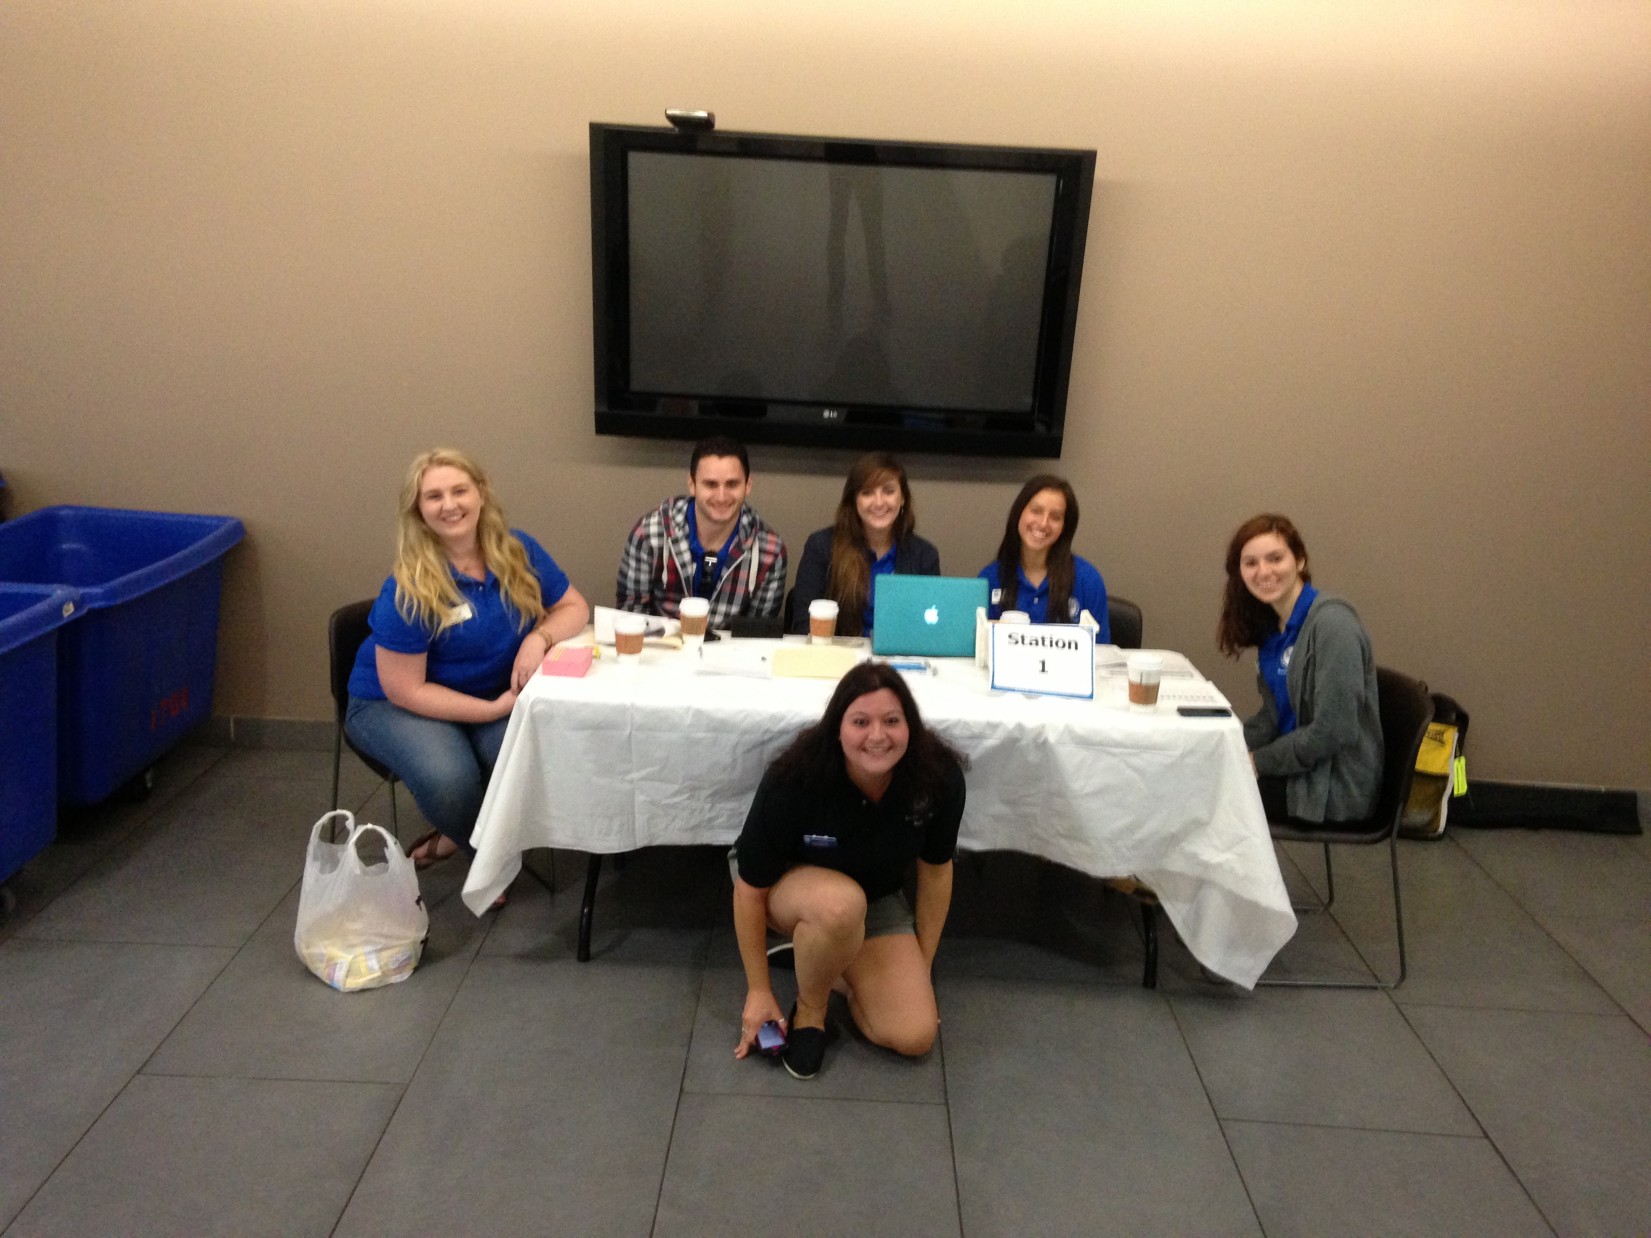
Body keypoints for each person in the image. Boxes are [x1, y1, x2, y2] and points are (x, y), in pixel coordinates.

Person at [345, 448, 589, 876]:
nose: (450, 504)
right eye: (434, 496)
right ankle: (487, 863)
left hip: (490, 690)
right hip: (394, 703)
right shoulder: (409, 586)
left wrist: (539, 637)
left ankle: (452, 839)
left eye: (460, 490)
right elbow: (406, 689)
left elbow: (573, 607)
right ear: (418, 511)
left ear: (481, 493)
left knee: (526, 758)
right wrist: (491, 710)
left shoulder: (518, 550)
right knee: (451, 781)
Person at [730, 663, 967, 1080]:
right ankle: (811, 1009)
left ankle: (824, 956)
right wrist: (759, 990)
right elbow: (749, 890)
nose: (878, 736)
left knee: (915, 1034)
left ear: (910, 725)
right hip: (786, 889)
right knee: (840, 907)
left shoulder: (938, 777)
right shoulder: (795, 778)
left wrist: (922, 966)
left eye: (892, 721)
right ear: (837, 727)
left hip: (876, 899)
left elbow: (936, 872)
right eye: (861, 722)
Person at [1217, 513, 1382, 825]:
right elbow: (1273, 717)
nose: (1263, 571)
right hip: (1298, 769)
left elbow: (1335, 730)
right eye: (1250, 563)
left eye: (1275, 558)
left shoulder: (1334, 624)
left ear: (1300, 561)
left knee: (1208, 795)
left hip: (1331, 785)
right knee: (1200, 772)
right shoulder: (1274, 628)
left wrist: (1259, 762)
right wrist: (1225, 746)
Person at [615, 436, 787, 629]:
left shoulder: (770, 551)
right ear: (692, 484)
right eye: (711, 484)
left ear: (748, 485)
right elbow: (629, 617)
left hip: (730, 655)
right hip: (660, 650)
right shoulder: (649, 534)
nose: (721, 496)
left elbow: (757, 635)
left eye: (732, 484)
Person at [787, 452, 940, 637]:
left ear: (902, 498)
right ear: (854, 500)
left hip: (900, 661)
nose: (878, 502)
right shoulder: (821, 547)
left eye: (888, 491)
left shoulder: (925, 556)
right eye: (867, 492)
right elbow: (804, 625)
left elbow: (931, 632)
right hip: (839, 660)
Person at [978, 474, 1110, 639]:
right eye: (1036, 511)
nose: (1043, 523)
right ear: (1019, 513)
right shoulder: (989, 578)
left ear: (1064, 526)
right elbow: (976, 652)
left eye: (1055, 517)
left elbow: (1102, 655)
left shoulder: (1088, 580)